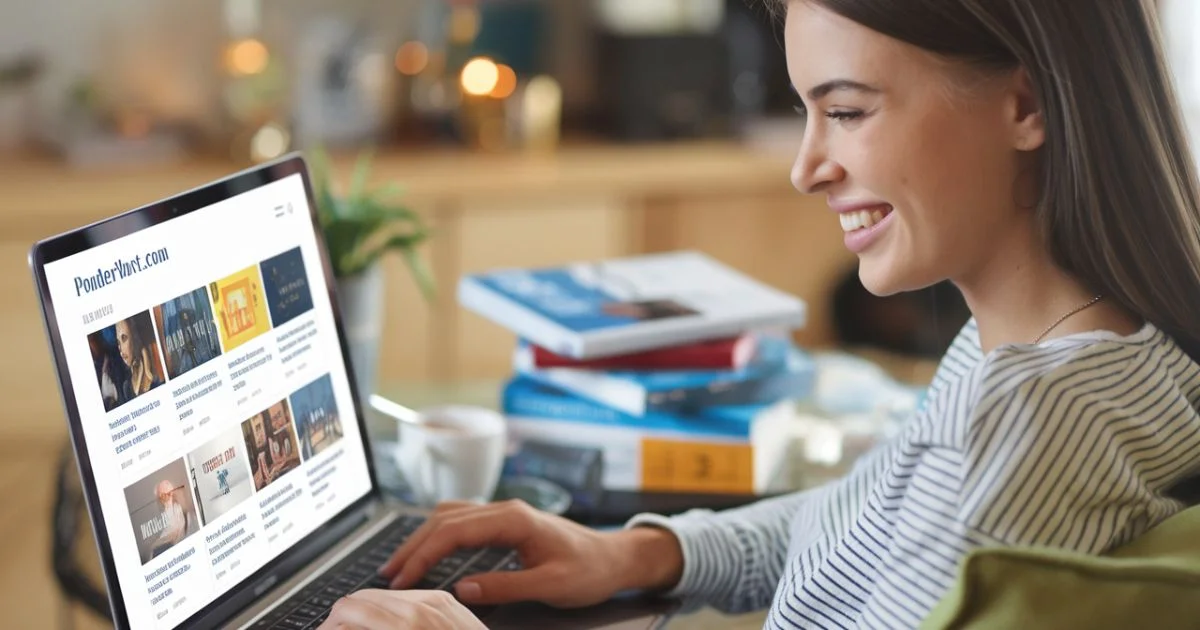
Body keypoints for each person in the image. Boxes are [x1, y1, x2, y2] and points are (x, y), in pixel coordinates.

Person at [318, 1, 1200, 628]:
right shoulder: (1082, 348)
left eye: (847, 111)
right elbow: (858, 519)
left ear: (1027, 104)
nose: (806, 167)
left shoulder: (1031, 421)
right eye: (805, 113)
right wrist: (638, 553)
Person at [149, 480, 188, 559]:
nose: (165, 498)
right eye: (162, 496)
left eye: (168, 493)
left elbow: (176, 532)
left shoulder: (178, 509)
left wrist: (158, 543)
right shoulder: (158, 514)